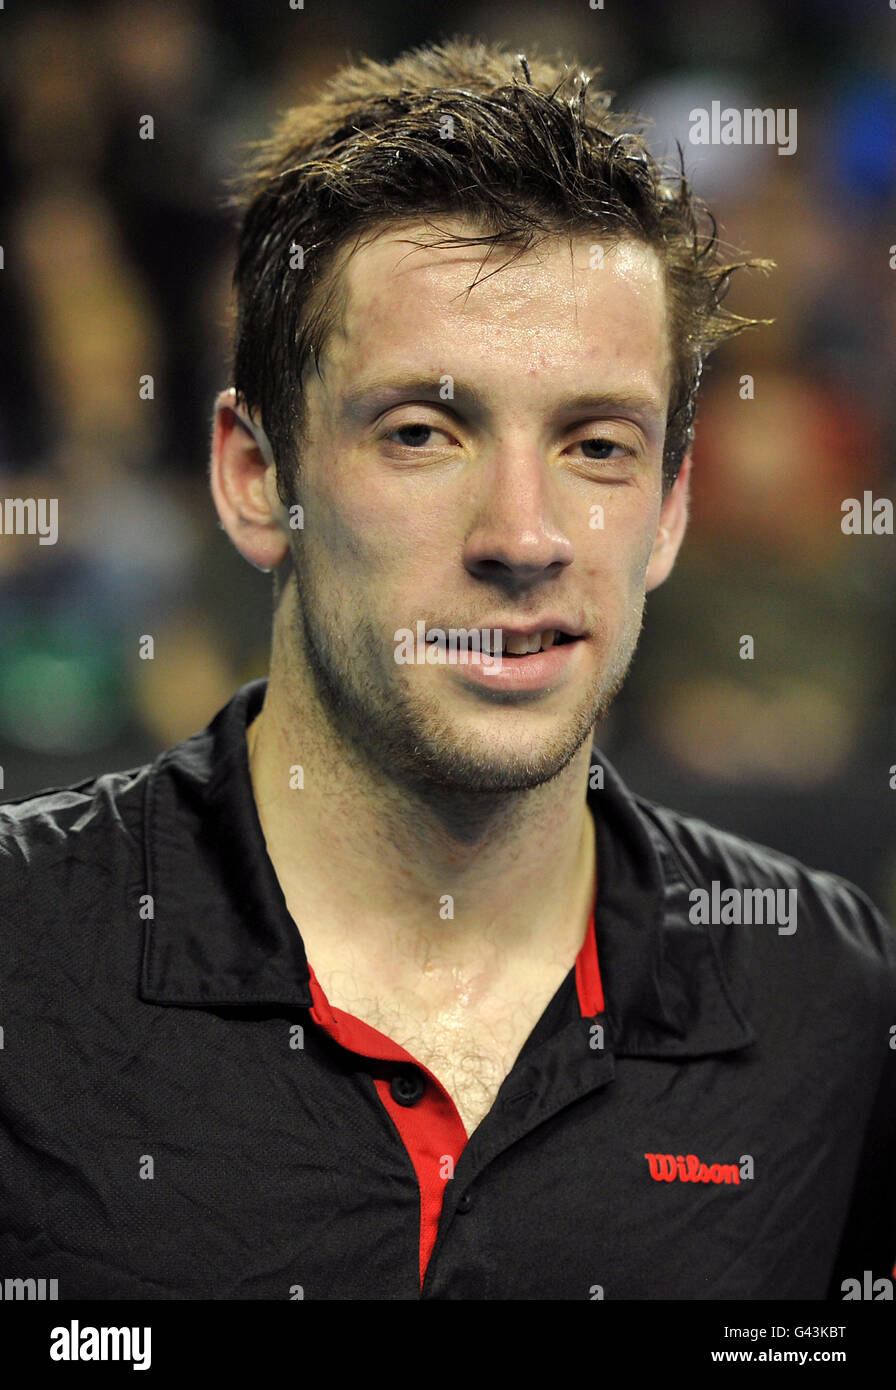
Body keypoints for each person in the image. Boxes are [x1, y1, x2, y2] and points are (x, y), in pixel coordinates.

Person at [1, 37, 894, 1302]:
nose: (523, 537)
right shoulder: (20, 954)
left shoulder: (826, 1000)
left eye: (595, 445)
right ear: (258, 478)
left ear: (670, 511)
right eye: (422, 431)